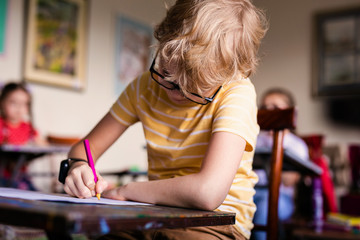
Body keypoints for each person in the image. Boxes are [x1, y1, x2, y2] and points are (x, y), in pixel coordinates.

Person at [63, 0, 267, 239]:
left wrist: (127, 191)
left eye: (195, 89)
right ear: (162, 44)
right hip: (154, 215)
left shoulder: (237, 91)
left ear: (226, 74)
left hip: (219, 222)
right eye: (167, 75)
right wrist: (78, 167)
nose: (174, 93)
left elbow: (208, 192)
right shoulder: (143, 88)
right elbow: (83, 149)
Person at [252, 88, 310, 240]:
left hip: (280, 198)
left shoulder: (297, 145)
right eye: (264, 107)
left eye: (276, 107)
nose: (270, 111)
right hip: (251, 192)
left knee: (265, 209)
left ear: (289, 111)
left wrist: (277, 144)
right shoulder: (255, 139)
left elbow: (289, 180)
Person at [0, 82, 46, 190]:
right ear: (2, 102)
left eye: (24, 103)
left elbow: (43, 144)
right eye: (13, 102)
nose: (19, 108)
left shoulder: (27, 127)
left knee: (34, 193)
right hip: (3, 175)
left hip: (21, 175)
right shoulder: (1, 125)